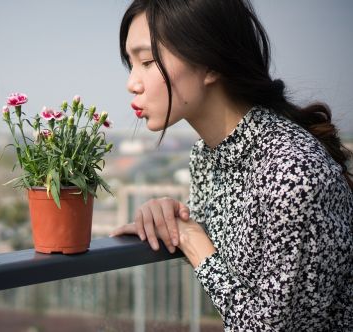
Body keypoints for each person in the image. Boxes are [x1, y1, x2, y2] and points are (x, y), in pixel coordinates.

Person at [109, 0, 353, 330]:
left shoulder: (290, 170)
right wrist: (170, 213)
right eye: (131, 65)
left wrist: (193, 241)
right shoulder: (207, 157)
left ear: (210, 64)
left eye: (148, 62)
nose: (132, 83)